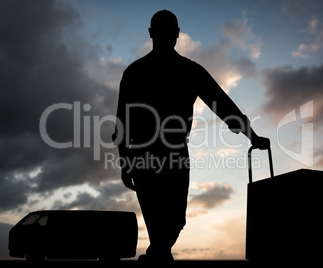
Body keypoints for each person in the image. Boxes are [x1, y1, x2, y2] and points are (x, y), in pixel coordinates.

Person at [113, 10, 270, 262]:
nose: (166, 36)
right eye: (162, 32)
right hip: (146, 153)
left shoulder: (185, 70)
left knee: (175, 218)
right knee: (157, 219)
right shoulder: (136, 72)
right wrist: (125, 161)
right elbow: (122, 122)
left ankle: (157, 254)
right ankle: (159, 255)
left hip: (167, 152)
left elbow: (222, 104)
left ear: (174, 34)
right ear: (156, 34)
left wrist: (252, 136)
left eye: (168, 32)